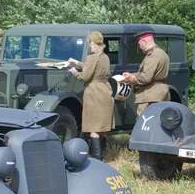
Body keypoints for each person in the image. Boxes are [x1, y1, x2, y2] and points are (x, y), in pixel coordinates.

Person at [67, 31, 114, 160]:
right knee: (102, 129)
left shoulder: (92, 57)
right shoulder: (105, 57)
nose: (89, 45)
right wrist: (76, 62)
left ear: (92, 43)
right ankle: (102, 158)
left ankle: (96, 159)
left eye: (89, 42)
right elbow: (91, 67)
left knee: (93, 129)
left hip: (94, 95)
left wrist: (75, 73)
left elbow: (86, 76)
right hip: (105, 92)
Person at [122, 31, 170, 118]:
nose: (139, 47)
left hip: (151, 96)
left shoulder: (152, 55)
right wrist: (131, 74)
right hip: (160, 93)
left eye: (139, 43)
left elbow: (145, 78)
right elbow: (148, 73)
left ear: (144, 41)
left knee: (145, 123)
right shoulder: (161, 53)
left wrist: (132, 79)